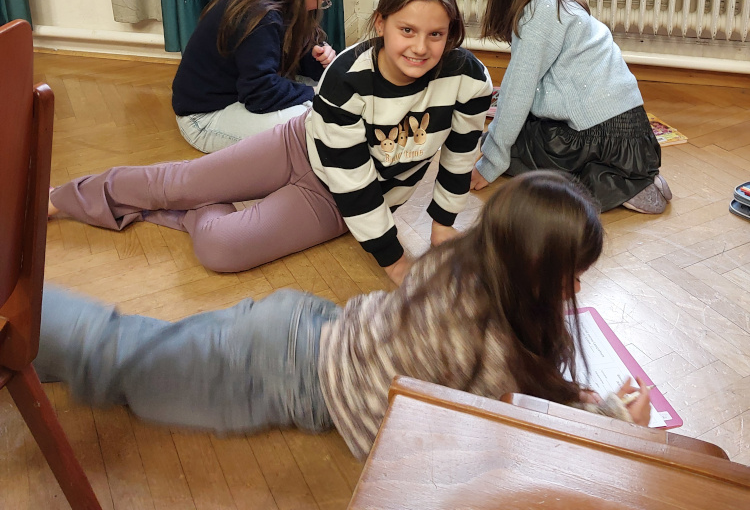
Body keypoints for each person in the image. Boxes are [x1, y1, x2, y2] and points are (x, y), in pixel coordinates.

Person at [37, 172, 653, 462]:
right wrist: (611, 419)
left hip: (299, 331)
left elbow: (519, 397)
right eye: (570, 275)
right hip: (276, 369)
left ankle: (24, 344)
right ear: (530, 265)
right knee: (112, 355)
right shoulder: (482, 340)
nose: (577, 288)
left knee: (128, 348)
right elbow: (521, 440)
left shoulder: (465, 262)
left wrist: (588, 404)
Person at [49, 0, 493, 283]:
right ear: (381, 23)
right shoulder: (345, 77)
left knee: (220, 248)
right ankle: (58, 199)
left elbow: (457, 159)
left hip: (335, 199)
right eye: (407, 30)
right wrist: (395, 262)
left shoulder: (469, 80)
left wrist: (442, 227)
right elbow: (351, 172)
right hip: (297, 145)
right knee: (176, 182)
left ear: (451, 31)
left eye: (436, 34)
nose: (420, 47)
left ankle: (200, 206)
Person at [471, 0, 669, 214]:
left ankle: (625, 183)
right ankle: (635, 175)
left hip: (602, 140)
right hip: (631, 136)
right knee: (506, 136)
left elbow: (518, 92)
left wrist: (489, 165)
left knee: (509, 148)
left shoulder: (539, 12)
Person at [172, 0, 346, 153]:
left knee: (330, 94)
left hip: (242, 91)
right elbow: (260, 94)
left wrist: (317, 56)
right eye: (325, 1)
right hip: (204, 117)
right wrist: (313, 92)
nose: (320, 7)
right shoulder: (260, 14)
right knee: (316, 124)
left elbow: (279, 57)